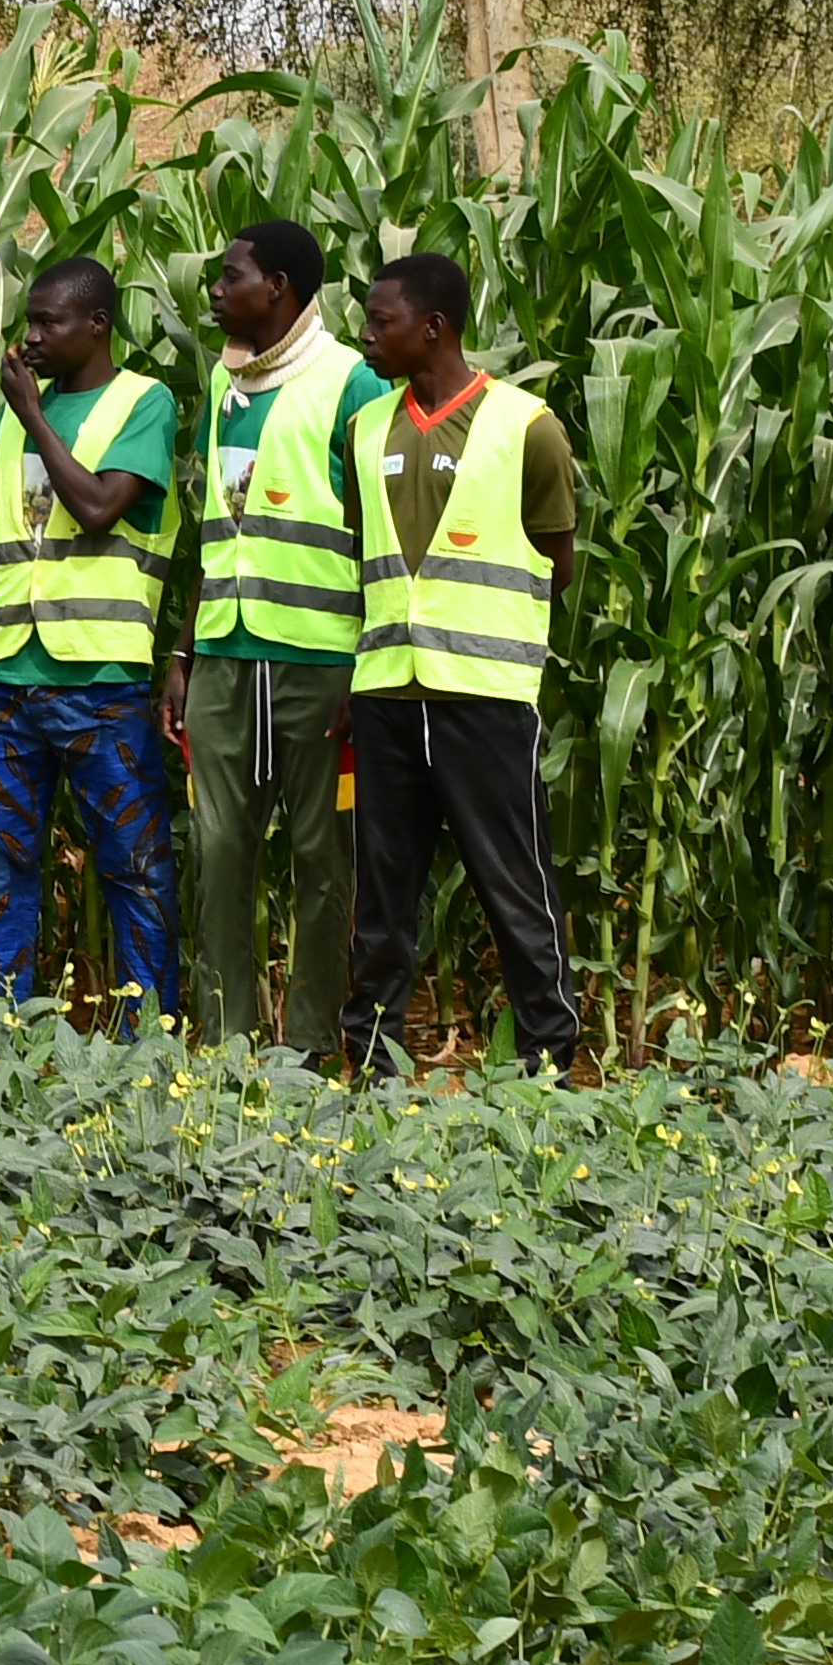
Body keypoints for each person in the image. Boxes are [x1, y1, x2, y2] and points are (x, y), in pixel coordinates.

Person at [339, 250, 583, 1078]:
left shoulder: (527, 426)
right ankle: (370, 1062)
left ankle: (550, 1066)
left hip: (484, 697)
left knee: (516, 889)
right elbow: (364, 552)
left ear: (433, 329)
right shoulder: (365, 429)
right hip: (385, 694)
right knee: (382, 894)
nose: (367, 337)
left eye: (382, 323)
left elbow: (557, 558)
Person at [0, 256, 178, 1028]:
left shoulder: (144, 402)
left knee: (134, 871)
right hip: (4, 683)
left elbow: (101, 507)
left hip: (100, 682)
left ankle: (148, 1049)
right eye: (29, 321)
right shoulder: (15, 414)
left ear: (97, 326)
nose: (32, 337)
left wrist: (35, 416)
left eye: (50, 322)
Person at [183, 219, 392, 1052]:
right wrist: (185, 651)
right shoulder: (220, 382)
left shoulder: (352, 383)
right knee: (219, 855)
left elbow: (384, 534)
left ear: (279, 288)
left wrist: (362, 661)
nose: (215, 289)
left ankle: (307, 1047)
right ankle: (227, 1045)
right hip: (226, 657)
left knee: (322, 862)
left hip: (319, 663)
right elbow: (217, 521)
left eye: (230, 275)